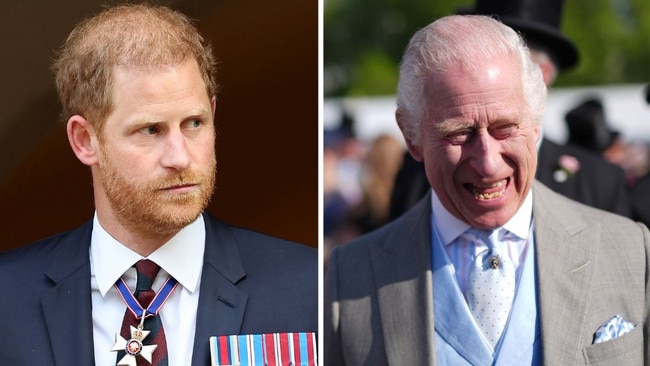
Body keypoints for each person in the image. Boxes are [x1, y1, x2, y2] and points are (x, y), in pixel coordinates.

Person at [0, 4, 317, 365]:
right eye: (151, 130)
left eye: (194, 123)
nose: (180, 157)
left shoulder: (305, 286)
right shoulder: (7, 300)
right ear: (85, 140)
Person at [325, 15, 650, 365]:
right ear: (411, 136)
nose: (488, 164)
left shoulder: (631, 249)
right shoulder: (351, 275)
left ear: (536, 122)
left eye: (505, 128)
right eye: (459, 133)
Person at [389, 0, 632, 221]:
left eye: (506, 53)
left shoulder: (598, 182)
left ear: (540, 75)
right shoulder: (422, 172)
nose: (488, 165)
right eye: (460, 133)